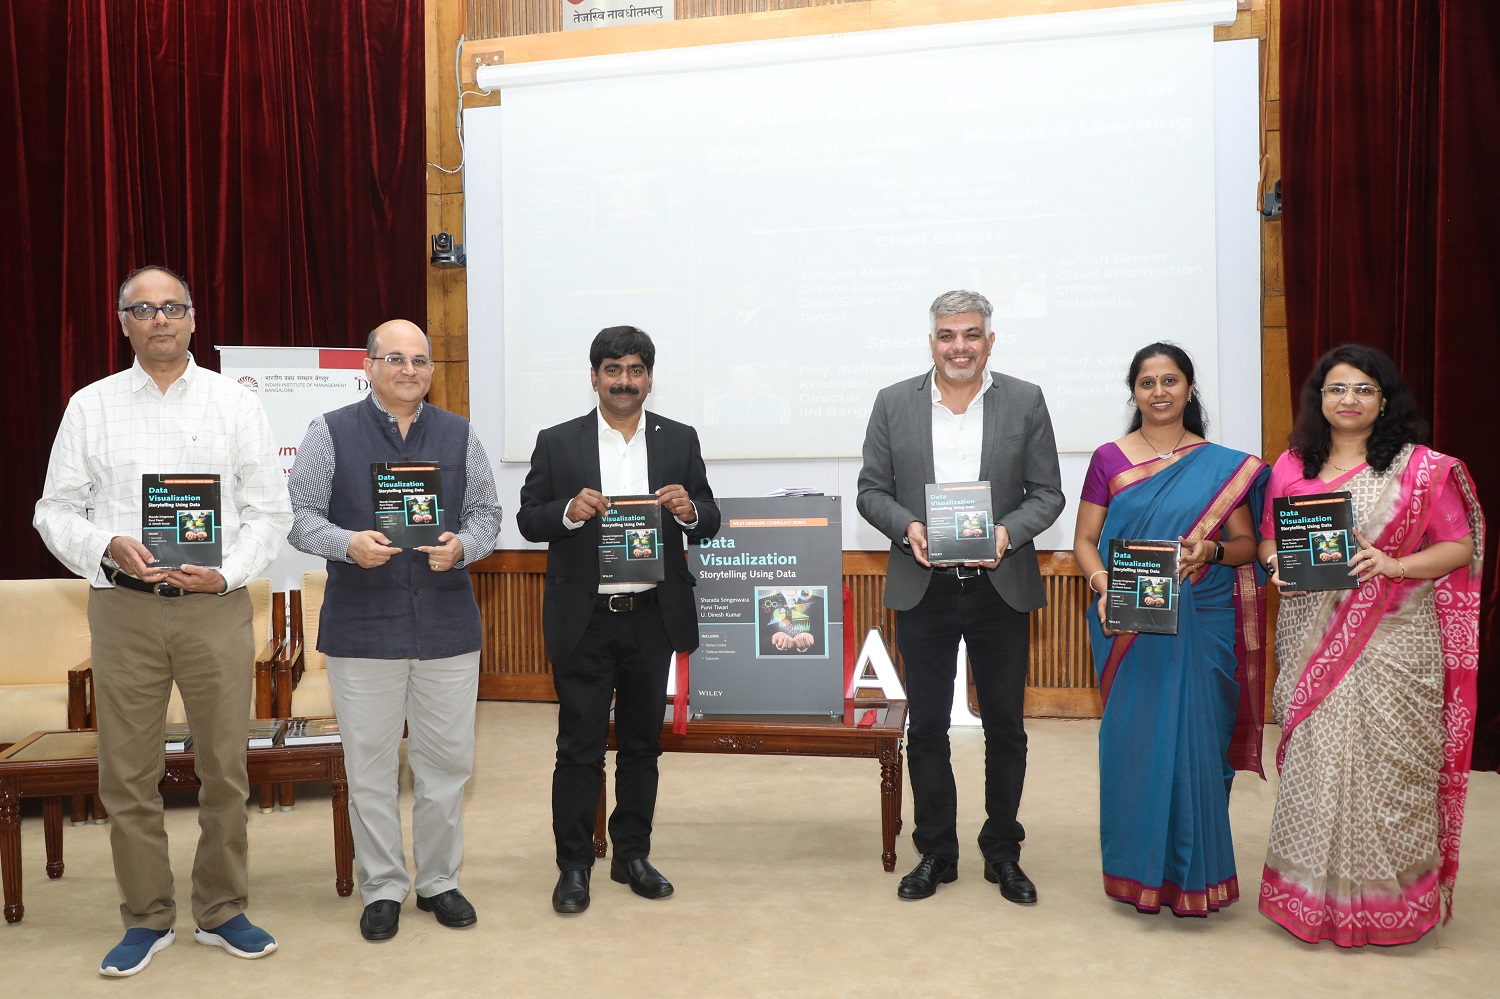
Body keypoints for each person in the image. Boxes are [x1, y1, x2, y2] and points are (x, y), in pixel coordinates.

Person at [33, 265, 291, 976]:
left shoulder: (235, 404)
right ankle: (146, 917)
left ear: (194, 318)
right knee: (127, 774)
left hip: (214, 607)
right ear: (123, 323)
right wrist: (103, 544)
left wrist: (229, 571)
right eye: (142, 309)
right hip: (124, 610)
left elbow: (271, 510)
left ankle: (220, 908)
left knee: (225, 768)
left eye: (172, 307)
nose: (159, 319)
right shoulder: (91, 406)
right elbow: (53, 511)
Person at [1258, 343, 1484, 947]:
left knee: (1392, 770)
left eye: (1363, 389)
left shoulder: (1421, 469)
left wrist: (1395, 562)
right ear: (1319, 399)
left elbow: (1461, 547)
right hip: (1310, 633)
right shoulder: (1290, 467)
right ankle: (1311, 904)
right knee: (1314, 766)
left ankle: (1392, 905)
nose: (1349, 399)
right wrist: (1276, 559)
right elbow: (1266, 541)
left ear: (1385, 400)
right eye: (1337, 388)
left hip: (1396, 642)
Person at [286, 319, 502, 942]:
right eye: (396, 359)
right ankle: (382, 886)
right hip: (363, 627)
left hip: (446, 626)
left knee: (446, 766)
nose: (409, 370)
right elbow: (298, 517)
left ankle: (438, 881)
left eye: (420, 361)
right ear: (370, 367)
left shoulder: (460, 434)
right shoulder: (330, 431)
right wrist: (346, 543)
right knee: (371, 767)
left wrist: (463, 546)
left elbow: (487, 514)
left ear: (432, 371)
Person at [856, 289, 1064, 904]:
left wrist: (1005, 533)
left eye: (971, 334)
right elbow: (871, 491)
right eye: (948, 335)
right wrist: (908, 526)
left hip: (1000, 584)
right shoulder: (894, 402)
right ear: (931, 342)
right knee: (925, 728)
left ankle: (1002, 850)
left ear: (990, 340)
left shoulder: (1025, 400)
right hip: (925, 587)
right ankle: (936, 852)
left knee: (1005, 726)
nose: (959, 346)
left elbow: (1046, 494)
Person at [517, 326, 720, 914]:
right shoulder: (558, 442)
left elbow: (708, 517)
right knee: (578, 747)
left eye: (635, 370)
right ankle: (575, 865)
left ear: (649, 378)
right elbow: (530, 520)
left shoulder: (679, 439)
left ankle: (632, 853)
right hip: (586, 620)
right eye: (613, 370)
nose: (624, 381)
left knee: (641, 746)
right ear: (594, 376)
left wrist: (688, 511)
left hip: (652, 618)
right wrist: (569, 512)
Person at [1070, 343, 1268, 917]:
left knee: (1198, 745)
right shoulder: (1110, 459)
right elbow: (1085, 541)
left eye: (1171, 380)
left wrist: (1210, 548)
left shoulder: (1222, 465)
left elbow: (1247, 546)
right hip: (1129, 621)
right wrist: (1105, 584)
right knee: (1134, 746)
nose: (1159, 392)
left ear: (1188, 389)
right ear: (1133, 392)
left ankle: (1195, 876)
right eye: (1147, 382)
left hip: (1202, 619)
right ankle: (1137, 874)